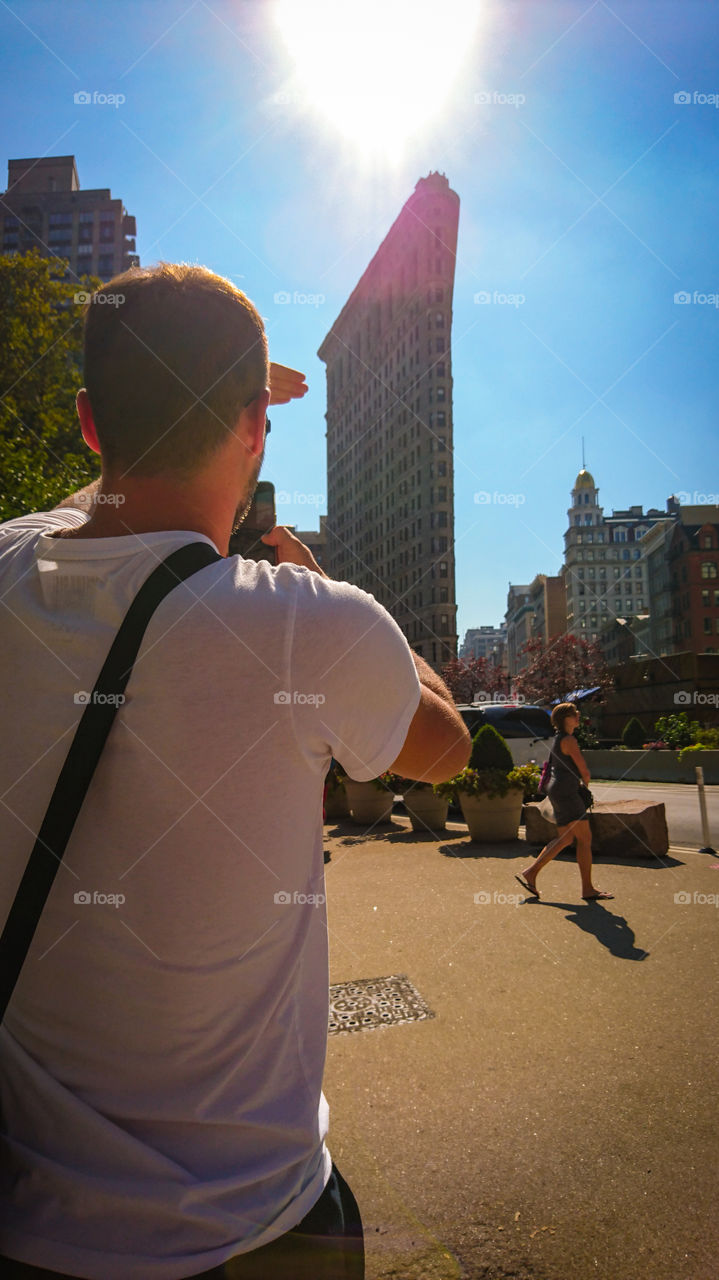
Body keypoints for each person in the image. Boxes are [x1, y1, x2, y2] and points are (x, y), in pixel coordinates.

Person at [0, 262, 471, 1279]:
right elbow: (445, 744)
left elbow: (92, 498)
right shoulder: (303, 621)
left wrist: (184, 398)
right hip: (258, 1229)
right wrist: (329, 584)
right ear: (257, 429)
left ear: (86, 424)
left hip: (32, 1225)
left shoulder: (8, 572)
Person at [515, 702, 613, 903]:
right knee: (585, 840)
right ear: (563, 719)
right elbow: (584, 770)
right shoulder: (569, 740)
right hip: (568, 794)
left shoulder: (558, 739)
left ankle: (531, 873)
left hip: (558, 792)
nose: (577, 715)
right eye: (572, 714)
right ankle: (587, 889)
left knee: (566, 839)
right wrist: (585, 786)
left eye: (577, 712)